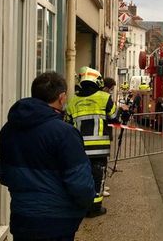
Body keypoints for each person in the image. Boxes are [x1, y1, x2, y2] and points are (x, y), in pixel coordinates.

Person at [0, 72, 95, 241]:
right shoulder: (64, 133)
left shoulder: (8, 130)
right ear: (62, 97)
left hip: (22, 218)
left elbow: (4, 175)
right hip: (57, 222)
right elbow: (82, 186)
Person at [66, 67, 118, 217]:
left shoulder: (73, 101)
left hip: (80, 149)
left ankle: (81, 206)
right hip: (99, 149)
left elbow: (68, 123)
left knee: (82, 177)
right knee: (98, 178)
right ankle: (95, 209)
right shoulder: (104, 97)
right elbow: (114, 116)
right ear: (98, 81)